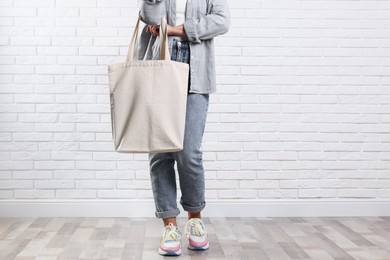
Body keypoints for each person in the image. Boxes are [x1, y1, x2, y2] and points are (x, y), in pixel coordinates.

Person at [138, 0, 230, 256]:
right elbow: (150, 18)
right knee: (160, 152)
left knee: (188, 151)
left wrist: (177, 30)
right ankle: (169, 226)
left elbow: (222, 21)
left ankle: (195, 220)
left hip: (196, 71)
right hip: (157, 68)